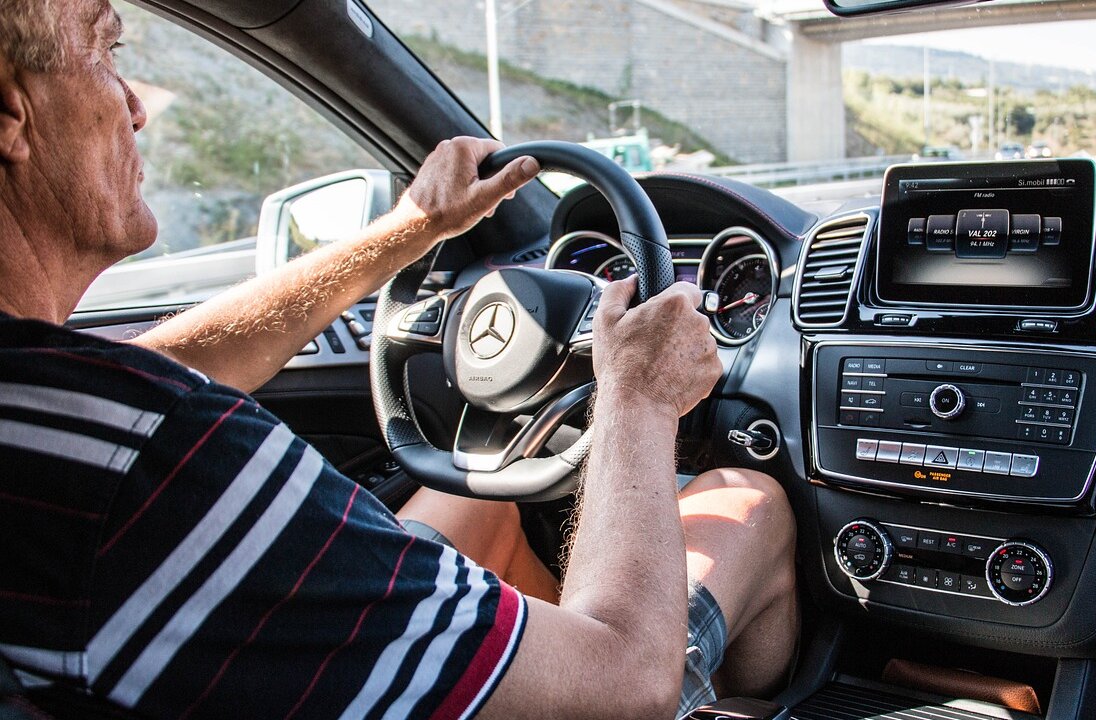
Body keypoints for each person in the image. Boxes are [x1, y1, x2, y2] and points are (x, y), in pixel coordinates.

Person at [0, 1, 798, 719]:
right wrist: (639, 396)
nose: (136, 106)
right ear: (11, 110)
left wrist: (410, 228)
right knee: (749, 503)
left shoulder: (54, 410)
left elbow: (158, 367)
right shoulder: (154, 470)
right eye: (107, 53)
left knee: (488, 502)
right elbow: (626, 683)